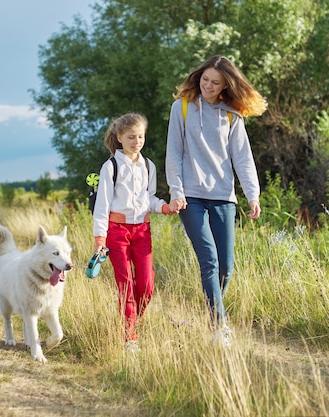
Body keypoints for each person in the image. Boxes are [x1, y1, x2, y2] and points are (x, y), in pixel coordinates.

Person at [165, 55, 267, 347]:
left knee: (226, 267)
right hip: (191, 197)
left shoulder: (231, 114)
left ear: (225, 86)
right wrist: (176, 190)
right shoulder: (182, 107)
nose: (207, 85)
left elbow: (242, 157)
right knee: (208, 259)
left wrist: (253, 193)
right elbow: (175, 153)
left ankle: (212, 309)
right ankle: (219, 326)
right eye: (205, 79)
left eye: (215, 82)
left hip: (223, 195)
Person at [93, 112, 178, 353]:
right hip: (116, 232)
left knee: (147, 285)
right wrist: (100, 239)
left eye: (140, 136)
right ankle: (130, 337)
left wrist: (164, 207)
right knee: (126, 285)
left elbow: (148, 199)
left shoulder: (148, 166)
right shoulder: (110, 167)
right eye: (131, 137)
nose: (137, 141)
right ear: (119, 137)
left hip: (142, 230)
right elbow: (102, 206)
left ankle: (130, 319)